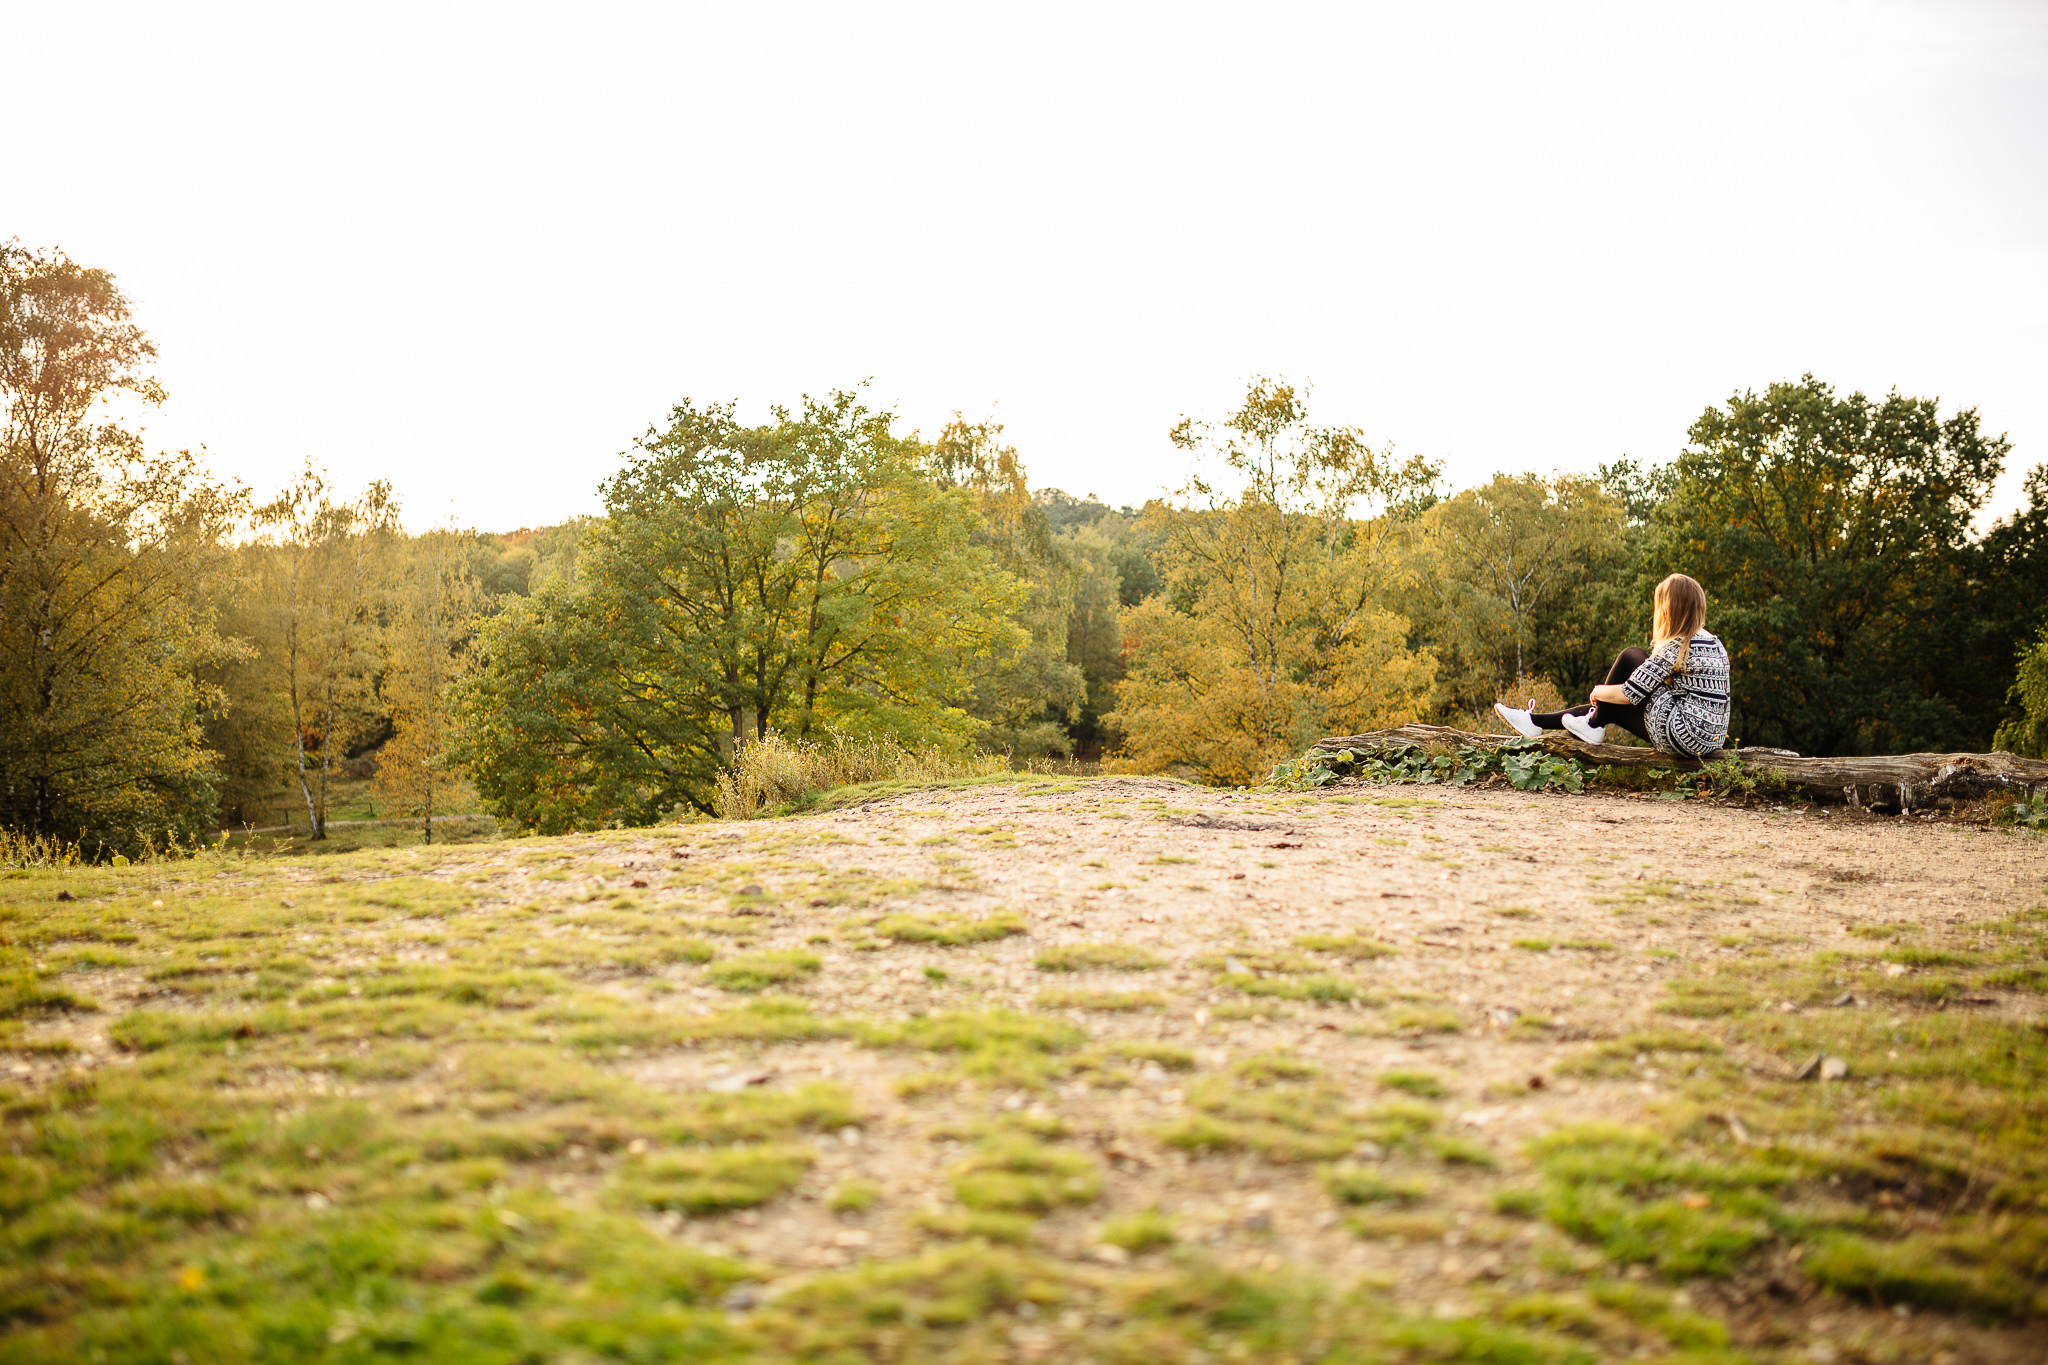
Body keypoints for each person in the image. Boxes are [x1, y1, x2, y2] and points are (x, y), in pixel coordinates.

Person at [1493, 573, 1731, 758]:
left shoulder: (1678, 645)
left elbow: (1628, 694)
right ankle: (1537, 722)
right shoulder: (1714, 642)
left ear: (1669, 609)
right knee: (1611, 708)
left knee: (1631, 656)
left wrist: (1599, 691)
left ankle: (1588, 724)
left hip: (1683, 735)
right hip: (1710, 740)